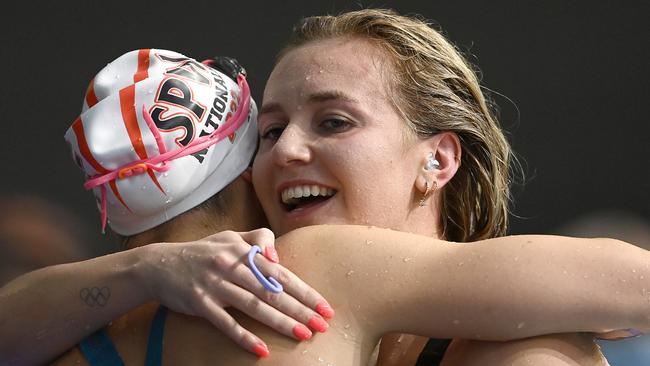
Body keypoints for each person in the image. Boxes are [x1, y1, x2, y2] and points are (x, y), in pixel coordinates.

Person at [1, 9, 647, 366]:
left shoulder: (527, 348)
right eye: (269, 129)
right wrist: (150, 267)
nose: (287, 150)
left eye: (334, 122)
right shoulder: (289, 280)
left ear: (437, 159)